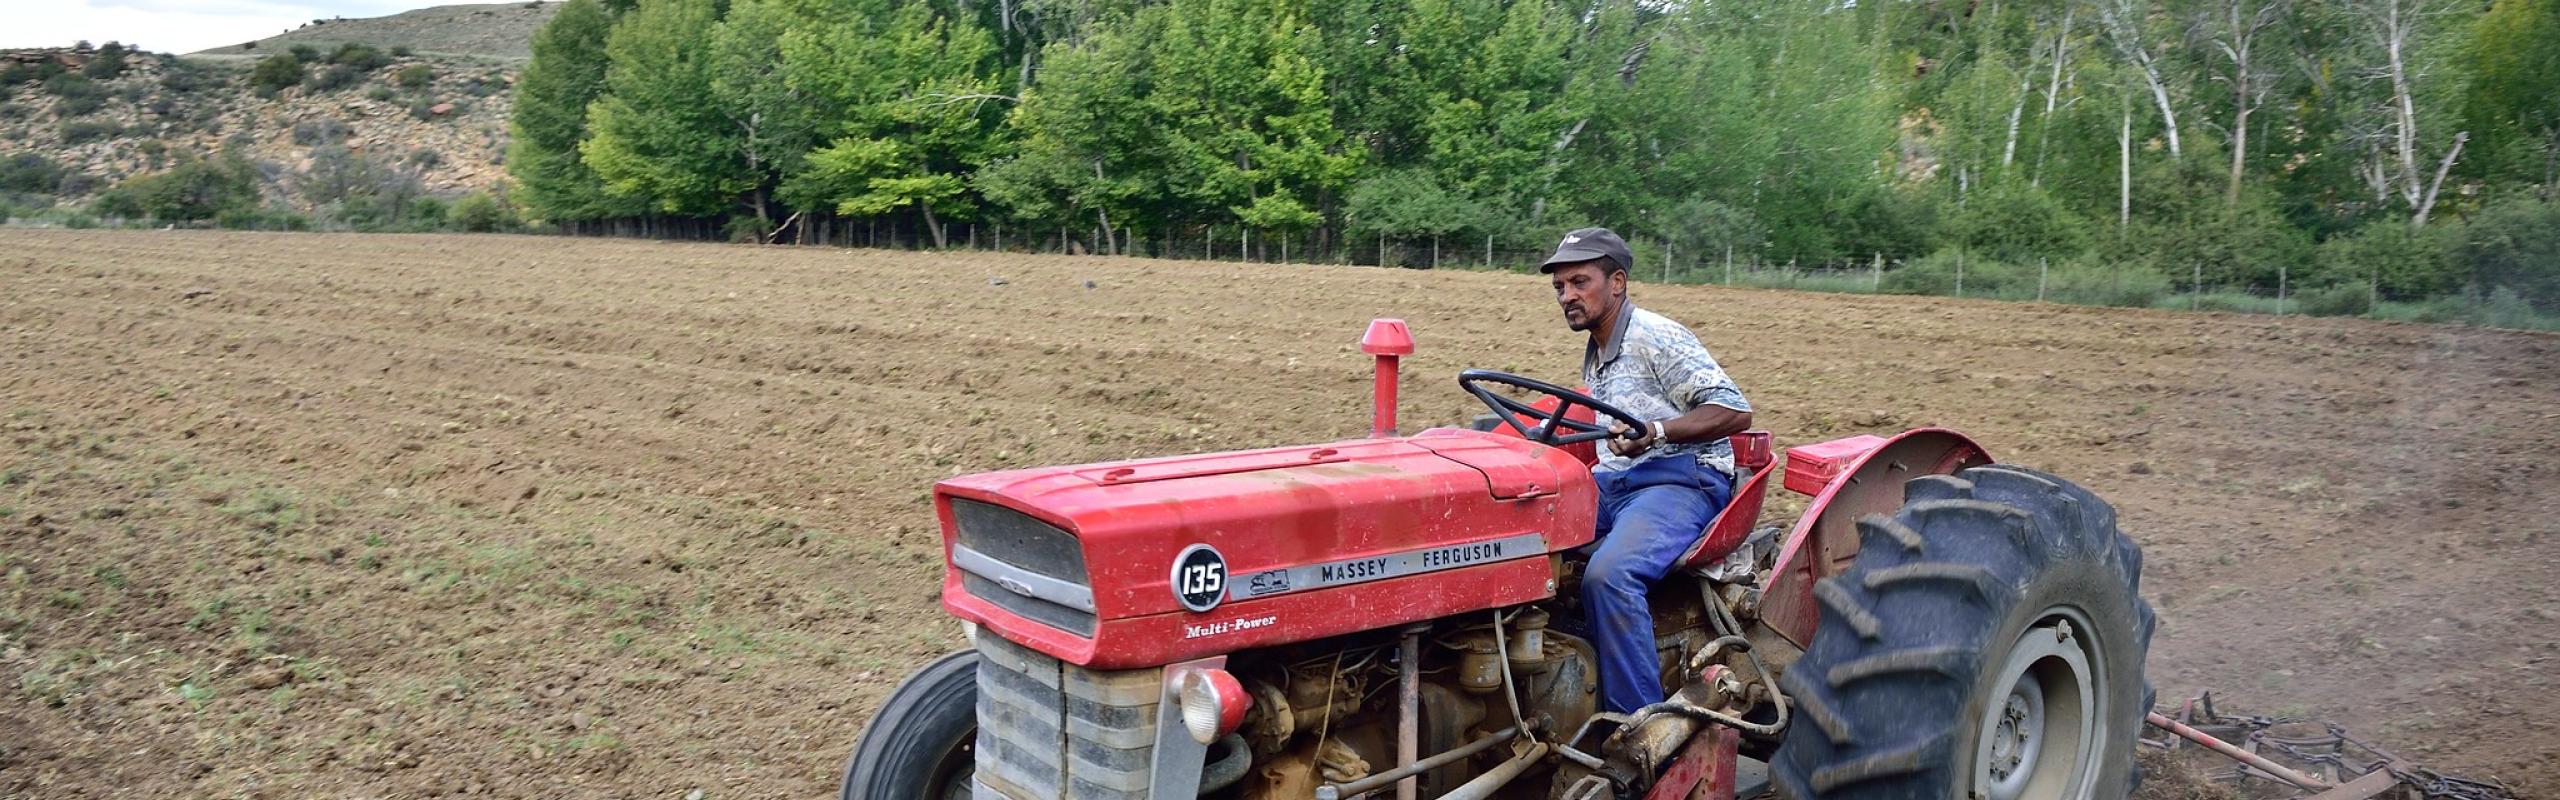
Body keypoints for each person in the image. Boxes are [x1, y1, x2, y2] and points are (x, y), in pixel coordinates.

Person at [1539, 226, 1754, 715]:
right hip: (1617, 483)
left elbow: (1735, 411)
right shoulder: (1597, 346)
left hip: (1681, 479)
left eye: (1579, 282)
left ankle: (1639, 726)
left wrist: (1657, 431)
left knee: (1609, 575)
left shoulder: (1655, 336)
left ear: (1617, 282)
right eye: (1559, 287)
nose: (1567, 296)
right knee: (1520, 539)